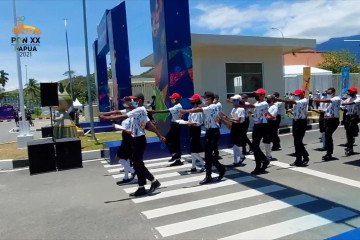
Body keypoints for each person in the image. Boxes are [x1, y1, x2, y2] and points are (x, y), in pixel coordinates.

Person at [100, 93, 165, 197]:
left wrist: (106, 118)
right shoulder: (139, 111)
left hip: (139, 140)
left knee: (137, 163)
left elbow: (124, 115)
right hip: (137, 139)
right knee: (138, 164)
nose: (131, 102)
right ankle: (144, 185)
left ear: (139, 100)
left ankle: (150, 182)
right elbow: (150, 124)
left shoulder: (139, 109)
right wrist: (159, 135)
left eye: (134, 100)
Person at [180, 91, 226, 184]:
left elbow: (199, 110)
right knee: (208, 155)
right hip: (209, 131)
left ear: (211, 99)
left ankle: (211, 174)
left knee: (208, 155)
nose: (205, 99)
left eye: (207, 98)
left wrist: (186, 111)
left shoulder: (212, 106)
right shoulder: (212, 107)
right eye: (204, 98)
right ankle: (219, 170)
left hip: (213, 132)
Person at [238, 88, 270, 174]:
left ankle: (261, 163)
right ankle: (262, 161)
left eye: (258, 94)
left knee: (255, 146)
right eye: (256, 94)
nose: (256, 96)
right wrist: (238, 103)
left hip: (262, 125)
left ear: (263, 95)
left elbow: (251, 106)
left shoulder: (264, 103)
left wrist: (241, 102)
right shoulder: (258, 103)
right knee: (254, 146)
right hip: (257, 125)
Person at [277, 89, 309, 167]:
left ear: (301, 94)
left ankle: (301, 158)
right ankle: (303, 156)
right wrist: (291, 110)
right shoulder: (297, 101)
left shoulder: (304, 100)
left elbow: (292, 102)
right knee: (296, 141)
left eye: (297, 95)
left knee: (298, 141)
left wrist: (278, 99)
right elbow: (297, 109)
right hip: (296, 121)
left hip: (301, 122)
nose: (296, 96)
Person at [150, 93, 183, 166]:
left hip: (176, 125)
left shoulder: (177, 106)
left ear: (176, 99)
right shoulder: (177, 106)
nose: (171, 100)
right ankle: (177, 158)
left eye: (172, 98)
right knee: (174, 142)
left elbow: (167, 111)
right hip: (175, 124)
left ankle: (175, 155)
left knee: (168, 139)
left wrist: (155, 112)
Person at [314, 88, 341, 161]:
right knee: (327, 135)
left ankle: (329, 154)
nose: (327, 94)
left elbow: (328, 100)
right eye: (327, 93)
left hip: (333, 120)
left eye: (329, 93)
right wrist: (320, 111)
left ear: (333, 92)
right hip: (328, 120)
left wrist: (318, 100)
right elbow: (327, 110)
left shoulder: (336, 98)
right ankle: (328, 153)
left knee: (328, 135)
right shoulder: (329, 103)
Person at [220, 94, 246, 166]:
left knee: (235, 144)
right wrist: (226, 118)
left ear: (238, 101)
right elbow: (233, 119)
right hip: (234, 126)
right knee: (234, 143)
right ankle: (241, 156)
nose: (233, 102)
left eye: (235, 100)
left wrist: (227, 118)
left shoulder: (241, 109)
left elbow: (238, 119)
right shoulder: (234, 109)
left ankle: (236, 161)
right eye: (233, 100)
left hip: (239, 126)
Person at [186, 94, 205, 172]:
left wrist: (190, 123)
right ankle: (193, 166)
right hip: (191, 129)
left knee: (193, 150)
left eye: (193, 100)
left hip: (196, 130)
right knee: (193, 150)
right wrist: (188, 123)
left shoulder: (199, 110)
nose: (191, 101)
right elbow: (189, 119)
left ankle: (203, 163)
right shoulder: (192, 110)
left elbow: (199, 122)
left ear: (196, 101)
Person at [341, 86, 360, 156]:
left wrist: (344, 103)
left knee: (349, 130)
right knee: (348, 131)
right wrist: (343, 106)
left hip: (354, 116)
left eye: (351, 91)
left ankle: (350, 147)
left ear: (355, 92)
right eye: (349, 91)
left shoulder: (358, 99)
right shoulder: (349, 99)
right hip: (348, 116)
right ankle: (350, 146)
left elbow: (352, 103)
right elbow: (343, 104)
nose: (349, 92)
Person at [266, 95, 278, 160]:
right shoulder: (267, 106)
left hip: (271, 123)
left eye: (268, 99)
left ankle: (269, 155)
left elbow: (272, 117)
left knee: (269, 139)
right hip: (266, 123)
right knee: (266, 140)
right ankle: (267, 154)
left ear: (272, 100)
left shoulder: (274, 107)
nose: (267, 100)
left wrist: (266, 114)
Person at [213, 94, 222, 159]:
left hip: (217, 121)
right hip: (214, 121)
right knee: (214, 139)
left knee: (215, 138)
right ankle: (215, 151)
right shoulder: (215, 104)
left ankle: (216, 153)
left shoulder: (218, 104)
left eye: (214, 98)